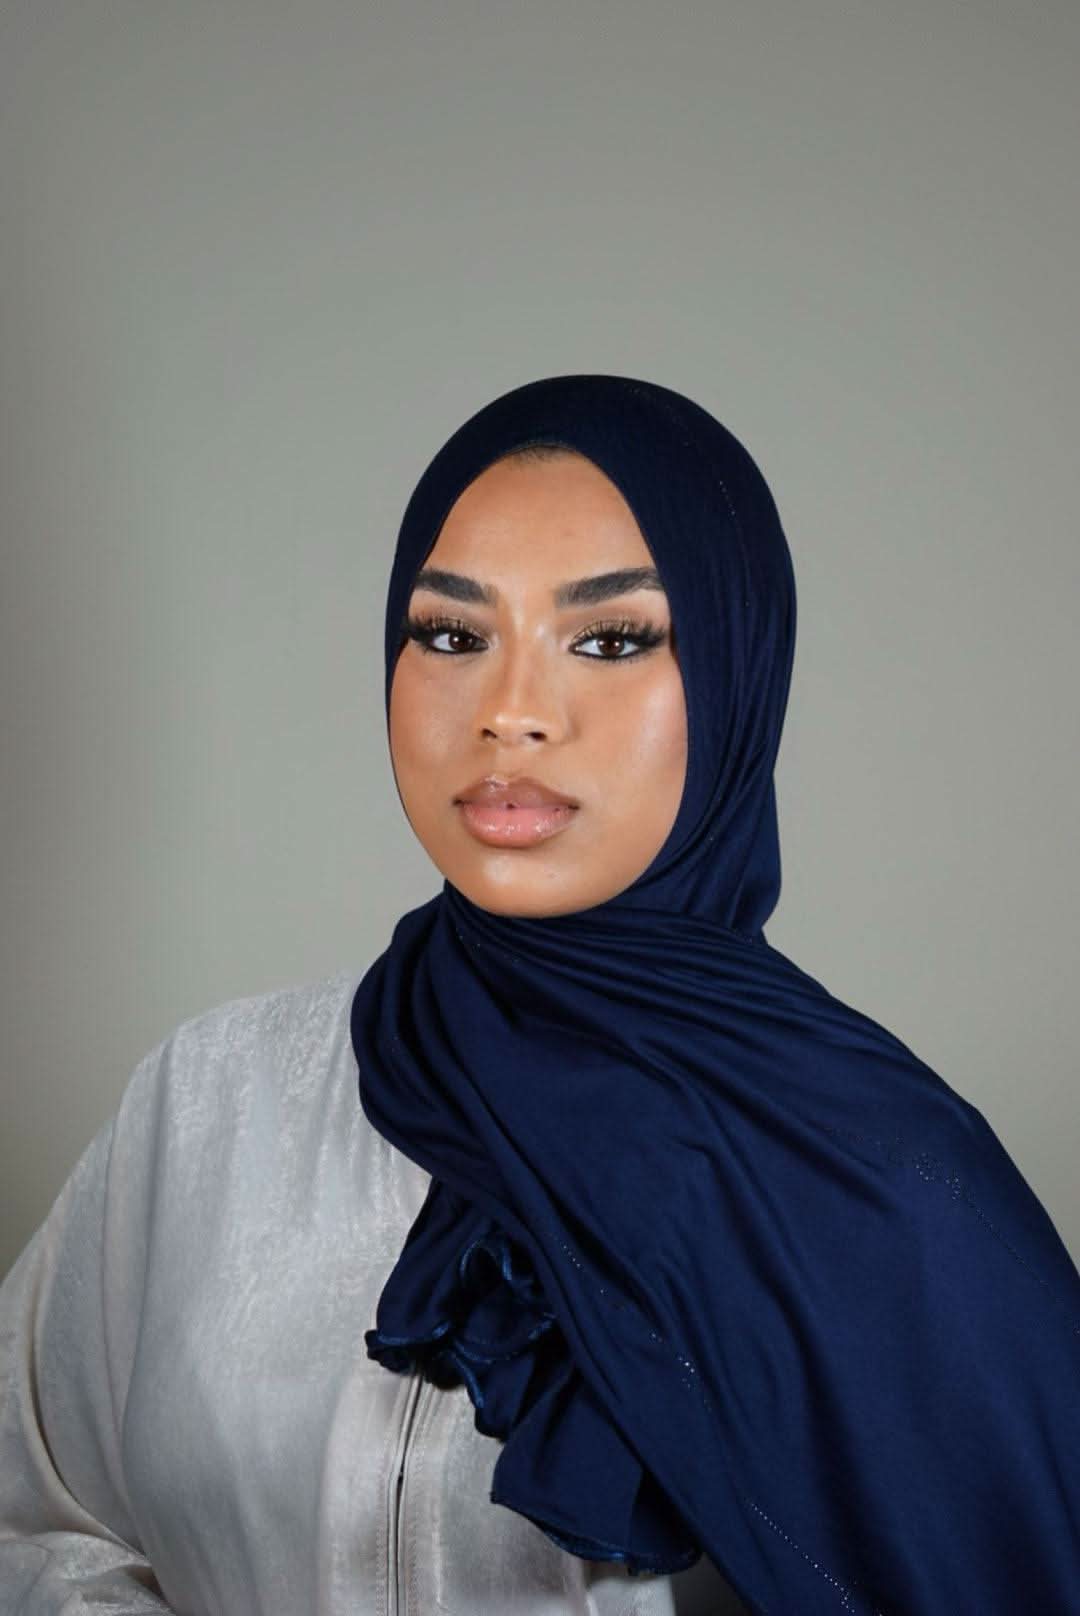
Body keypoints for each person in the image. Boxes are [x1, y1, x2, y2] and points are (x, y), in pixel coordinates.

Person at [0, 374, 1077, 1616]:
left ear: (738, 675)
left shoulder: (889, 1181)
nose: (510, 712)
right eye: (452, 635)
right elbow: (39, 1518)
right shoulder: (210, 1101)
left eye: (611, 639)